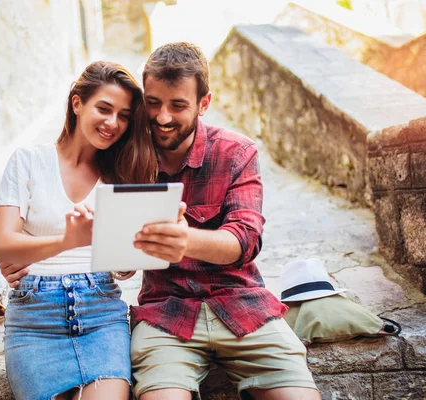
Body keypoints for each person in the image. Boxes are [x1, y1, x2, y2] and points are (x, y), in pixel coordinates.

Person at [129, 42, 321, 400]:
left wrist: (185, 240)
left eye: (178, 105)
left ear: (204, 103)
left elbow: (245, 241)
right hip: (164, 316)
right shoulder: (130, 156)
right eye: (153, 103)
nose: (163, 117)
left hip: (242, 305)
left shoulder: (236, 152)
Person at [0, 61, 157, 400]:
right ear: (77, 103)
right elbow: (3, 245)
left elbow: (123, 269)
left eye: (124, 116)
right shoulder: (29, 161)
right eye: (104, 109)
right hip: (35, 317)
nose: (113, 123)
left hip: (101, 314)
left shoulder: (121, 174)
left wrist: (127, 255)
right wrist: (68, 241)